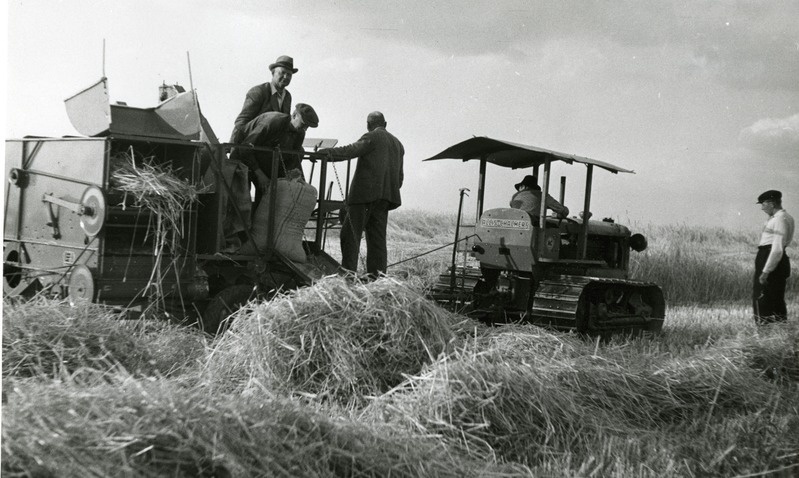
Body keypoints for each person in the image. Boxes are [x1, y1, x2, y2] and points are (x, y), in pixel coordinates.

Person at [318, 111, 404, 279]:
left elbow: (351, 150)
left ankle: (348, 276)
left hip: (364, 196)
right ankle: (376, 278)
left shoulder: (371, 137)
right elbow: (400, 178)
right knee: (377, 240)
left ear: (368, 125)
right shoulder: (398, 144)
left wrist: (326, 153)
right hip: (385, 199)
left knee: (350, 235)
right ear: (385, 124)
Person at [232, 103, 318, 209]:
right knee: (240, 201)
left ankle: (261, 224)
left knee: (267, 199)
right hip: (243, 158)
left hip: (266, 163)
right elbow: (245, 148)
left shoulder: (300, 132)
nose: (305, 129)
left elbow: (294, 157)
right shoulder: (273, 121)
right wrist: (260, 175)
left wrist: (298, 180)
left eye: (307, 126)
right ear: (294, 115)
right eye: (303, 124)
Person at [230, 55, 297, 144]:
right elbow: (241, 122)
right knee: (273, 117)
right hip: (253, 141)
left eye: (289, 75)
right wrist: (234, 148)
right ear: (273, 73)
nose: (285, 77)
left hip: (271, 143)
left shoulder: (287, 96)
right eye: (282, 72)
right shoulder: (259, 91)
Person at [753, 190, 794, 325]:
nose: (762, 208)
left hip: (769, 257)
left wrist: (765, 272)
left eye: (763, 204)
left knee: (763, 297)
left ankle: (765, 333)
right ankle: (779, 331)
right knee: (776, 297)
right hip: (776, 259)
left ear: (771, 203)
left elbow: (776, 249)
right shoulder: (787, 217)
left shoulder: (779, 220)